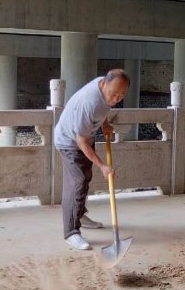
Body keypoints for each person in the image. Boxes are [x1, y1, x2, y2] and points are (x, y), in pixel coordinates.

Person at [54, 69, 130, 250]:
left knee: (85, 178)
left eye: (120, 96)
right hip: (70, 142)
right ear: (104, 84)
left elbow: (101, 110)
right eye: (113, 94)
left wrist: (105, 123)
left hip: (85, 138)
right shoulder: (89, 102)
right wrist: (103, 166)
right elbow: (80, 140)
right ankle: (71, 232)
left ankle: (79, 214)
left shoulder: (105, 87)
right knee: (77, 183)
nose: (115, 100)